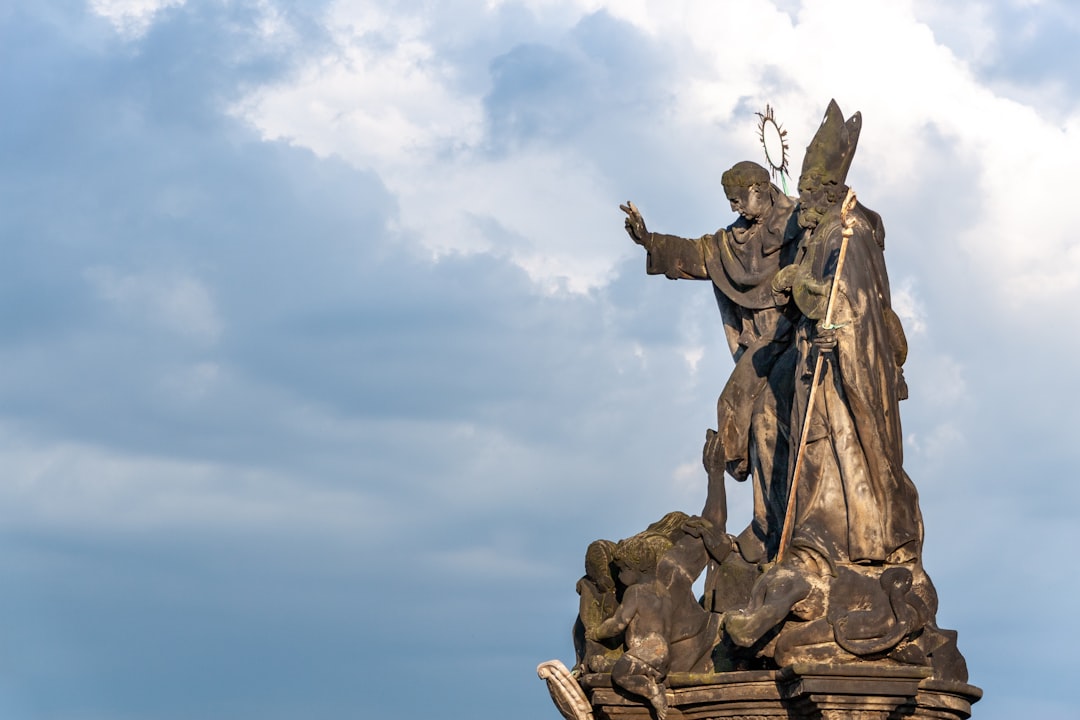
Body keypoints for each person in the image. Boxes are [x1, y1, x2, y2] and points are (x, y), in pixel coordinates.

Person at [622, 162, 801, 564]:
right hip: (762, 342)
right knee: (742, 415)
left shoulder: (793, 222)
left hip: (791, 333)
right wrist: (649, 239)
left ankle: (772, 520)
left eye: (739, 197)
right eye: (730, 201)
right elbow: (696, 253)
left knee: (761, 416)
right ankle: (765, 515)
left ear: (760, 187)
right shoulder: (733, 241)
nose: (735, 206)